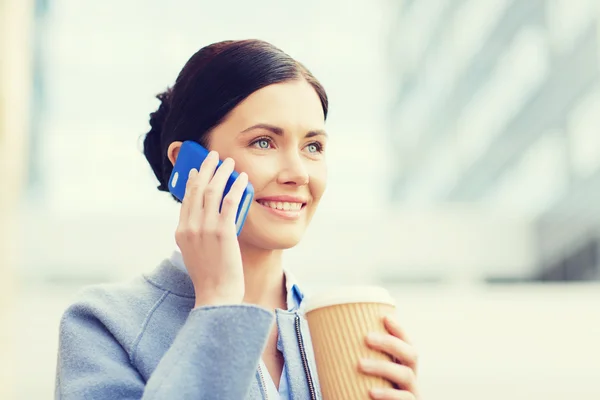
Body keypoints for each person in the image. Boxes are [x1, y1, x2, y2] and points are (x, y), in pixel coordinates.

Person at [54, 39, 419, 400]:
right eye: (263, 142)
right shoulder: (104, 324)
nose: (299, 174)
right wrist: (218, 306)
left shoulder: (337, 326)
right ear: (190, 164)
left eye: (313, 147)